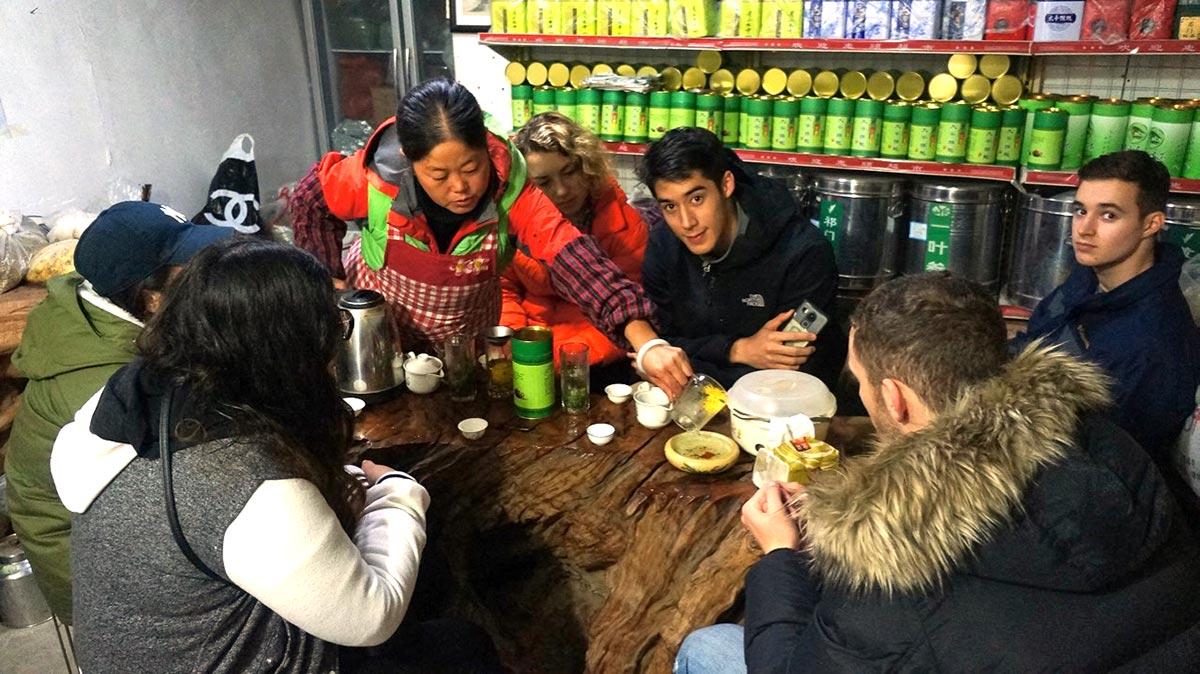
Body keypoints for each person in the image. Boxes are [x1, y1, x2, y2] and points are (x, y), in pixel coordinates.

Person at [676, 273, 1200, 673]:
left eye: (858, 379)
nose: (858, 390)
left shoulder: (889, 570)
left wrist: (781, 555)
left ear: (895, 399)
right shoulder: (1106, 441)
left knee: (704, 647)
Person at [51, 238, 501, 673]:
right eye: (333, 327)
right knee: (460, 646)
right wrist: (397, 494)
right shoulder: (243, 485)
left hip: (133, 653)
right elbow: (372, 617)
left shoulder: (130, 401)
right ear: (287, 349)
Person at [291, 78, 690, 396]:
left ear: (486, 149)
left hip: (466, 341)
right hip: (379, 341)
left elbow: (575, 258)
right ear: (410, 164)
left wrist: (649, 343)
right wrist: (329, 279)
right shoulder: (372, 178)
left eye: (471, 167)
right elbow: (311, 200)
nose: (461, 188)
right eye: (440, 176)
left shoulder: (511, 189)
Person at [4, 201, 233, 623]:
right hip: (84, 560)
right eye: (192, 271)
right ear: (150, 299)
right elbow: (191, 483)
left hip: (114, 516)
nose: (208, 278)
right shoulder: (110, 382)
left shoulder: (108, 306)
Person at [1011, 150, 1200, 477]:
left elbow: (1104, 469)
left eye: (1109, 215)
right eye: (1080, 210)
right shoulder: (1088, 278)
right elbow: (1034, 340)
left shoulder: (1152, 343)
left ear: (1151, 224)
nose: (1084, 229)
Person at [637, 127, 845, 391]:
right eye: (670, 206)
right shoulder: (663, 245)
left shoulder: (805, 253)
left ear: (726, 184)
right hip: (688, 402)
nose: (686, 222)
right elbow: (659, 347)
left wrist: (692, 360)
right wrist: (738, 350)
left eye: (697, 198)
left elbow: (789, 369)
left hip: (785, 413)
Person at [505, 111, 648, 381]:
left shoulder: (626, 225)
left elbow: (630, 309)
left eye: (569, 172)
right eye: (544, 182)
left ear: (586, 165)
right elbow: (504, 289)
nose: (561, 191)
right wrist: (513, 341)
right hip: (529, 350)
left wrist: (558, 358)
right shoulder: (515, 222)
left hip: (596, 362)